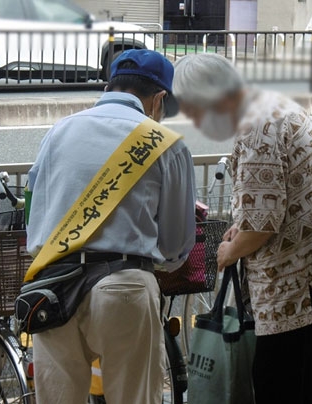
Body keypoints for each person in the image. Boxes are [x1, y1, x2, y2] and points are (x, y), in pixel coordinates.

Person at [173, 53, 312, 404]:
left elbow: (262, 227)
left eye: (193, 109)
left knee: (274, 381)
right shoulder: (271, 106)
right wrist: (242, 227)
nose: (195, 119)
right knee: (295, 380)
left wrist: (229, 251)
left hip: (296, 280)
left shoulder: (255, 132)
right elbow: (273, 202)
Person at [26, 49, 196, 404]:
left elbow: (35, 214)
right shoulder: (165, 144)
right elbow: (176, 244)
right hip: (125, 284)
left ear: (111, 85)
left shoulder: (59, 132)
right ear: (159, 99)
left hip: (54, 286)